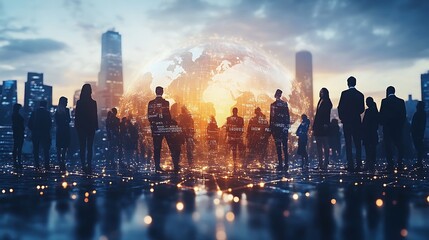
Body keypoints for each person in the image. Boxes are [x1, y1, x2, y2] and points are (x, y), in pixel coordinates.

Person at [338, 76, 365, 172]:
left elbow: (340, 107)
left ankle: (350, 165)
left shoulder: (344, 94)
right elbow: (362, 109)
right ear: (355, 83)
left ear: (347, 83)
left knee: (348, 143)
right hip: (356, 122)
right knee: (358, 144)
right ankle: (359, 164)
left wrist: (343, 118)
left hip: (347, 122)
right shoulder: (360, 95)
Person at [379, 86, 406, 171]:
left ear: (387, 92)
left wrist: (382, 124)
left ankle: (390, 164)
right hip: (397, 128)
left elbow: (382, 114)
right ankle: (399, 162)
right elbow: (403, 115)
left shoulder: (384, 101)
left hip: (387, 128)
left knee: (388, 146)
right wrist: (401, 125)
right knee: (399, 145)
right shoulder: (401, 101)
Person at [75, 84, 98, 174]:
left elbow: (77, 116)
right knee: (89, 147)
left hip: (81, 127)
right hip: (90, 127)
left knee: (82, 147)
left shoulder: (79, 102)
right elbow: (94, 116)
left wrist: (76, 126)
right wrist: (96, 126)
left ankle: (83, 164)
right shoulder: (93, 103)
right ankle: (89, 164)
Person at [147, 86, 172, 171]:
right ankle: (174, 165)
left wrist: (154, 123)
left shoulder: (151, 103)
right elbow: (168, 116)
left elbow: (149, 117)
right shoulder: (166, 103)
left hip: (156, 129)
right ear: (162, 92)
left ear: (155, 92)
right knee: (171, 146)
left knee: (157, 148)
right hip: (164, 128)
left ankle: (157, 166)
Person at [270, 89, 290, 171]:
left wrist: (271, 128)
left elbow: (271, 117)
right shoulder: (284, 104)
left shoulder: (273, 105)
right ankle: (285, 164)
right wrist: (286, 126)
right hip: (282, 129)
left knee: (279, 147)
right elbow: (287, 116)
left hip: (277, 130)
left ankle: (282, 164)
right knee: (284, 147)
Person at [28, 100, 52, 170]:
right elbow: (49, 124)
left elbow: (29, 124)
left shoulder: (34, 113)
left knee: (36, 150)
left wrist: (33, 130)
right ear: (46, 105)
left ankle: (37, 164)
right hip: (45, 134)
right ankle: (46, 165)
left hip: (36, 134)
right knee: (46, 150)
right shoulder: (47, 113)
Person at [313, 88, 333, 170]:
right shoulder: (320, 101)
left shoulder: (327, 102)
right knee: (319, 145)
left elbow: (326, 114)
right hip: (318, 126)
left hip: (323, 126)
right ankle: (321, 163)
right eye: (320, 92)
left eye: (322, 92)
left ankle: (325, 162)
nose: (321, 93)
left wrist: (325, 124)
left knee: (325, 145)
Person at [362, 97, 379, 171]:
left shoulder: (368, 111)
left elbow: (365, 123)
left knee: (368, 149)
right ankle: (372, 162)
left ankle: (368, 163)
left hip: (367, 133)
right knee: (373, 148)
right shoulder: (375, 111)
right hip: (373, 133)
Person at [55, 97, 71, 171]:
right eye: (66, 101)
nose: (67, 103)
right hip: (65, 130)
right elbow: (69, 119)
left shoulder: (57, 111)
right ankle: (63, 160)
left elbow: (56, 120)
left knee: (59, 147)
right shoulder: (67, 110)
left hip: (59, 130)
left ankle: (59, 161)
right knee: (64, 146)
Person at [411, 101, 426, 168]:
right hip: (419, 133)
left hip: (416, 133)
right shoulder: (423, 114)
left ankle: (419, 162)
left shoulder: (417, 114)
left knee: (419, 148)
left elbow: (414, 124)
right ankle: (419, 162)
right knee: (419, 148)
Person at [12, 103, 25, 169]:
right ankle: (18, 161)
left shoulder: (15, 115)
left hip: (17, 133)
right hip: (19, 133)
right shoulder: (17, 115)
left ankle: (16, 161)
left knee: (16, 147)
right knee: (18, 148)